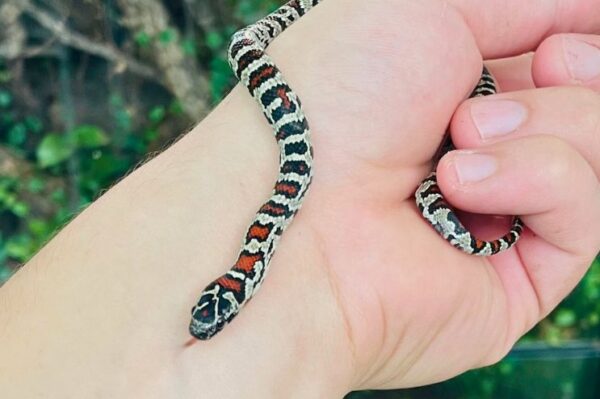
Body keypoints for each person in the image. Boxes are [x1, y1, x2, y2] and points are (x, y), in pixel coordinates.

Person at [1, 0, 599, 397]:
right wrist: (323, 313)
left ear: (229, 290)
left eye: (219, 307)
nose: (210, 320)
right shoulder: (263, 257)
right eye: (220, 311)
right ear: (236, 291)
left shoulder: (262, 245)